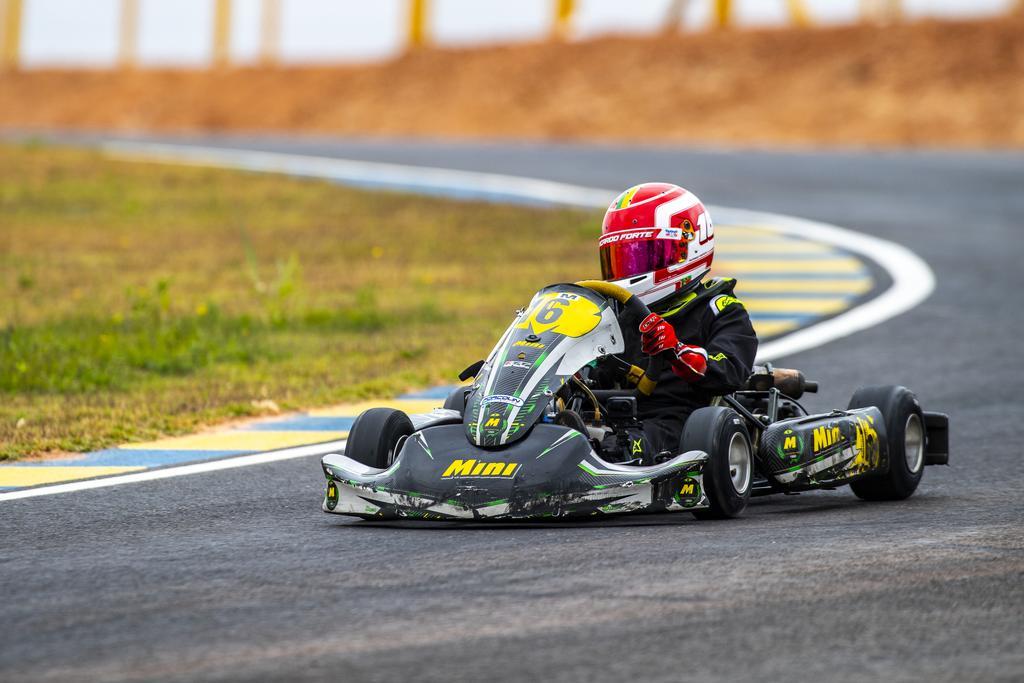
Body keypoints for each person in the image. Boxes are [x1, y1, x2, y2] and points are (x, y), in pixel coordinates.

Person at [597, 182, 758, 461]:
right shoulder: (617, 316)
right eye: (621, 258)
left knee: (617, 450)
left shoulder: (720, 310)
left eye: (642, 255)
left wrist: (678, 351)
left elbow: (731, 369)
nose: (629, 269)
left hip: (681, 420)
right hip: (614, 412)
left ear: (687, 249)